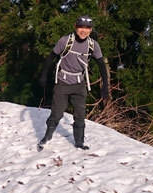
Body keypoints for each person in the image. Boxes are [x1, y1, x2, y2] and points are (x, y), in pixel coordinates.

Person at [37, 16, 110, 151]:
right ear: (76, 27)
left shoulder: (93, 45)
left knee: (80, 115)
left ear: (91, 30)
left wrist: (105, 85)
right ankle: (46, 137)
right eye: (81, 27)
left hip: (79, 84)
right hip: (62, 83)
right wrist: (43, 76)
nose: (84, 31)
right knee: (57, 113)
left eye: (87, 28)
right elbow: (51, 57)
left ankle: (79, 143)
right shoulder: (65, 41)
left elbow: (101, 64)